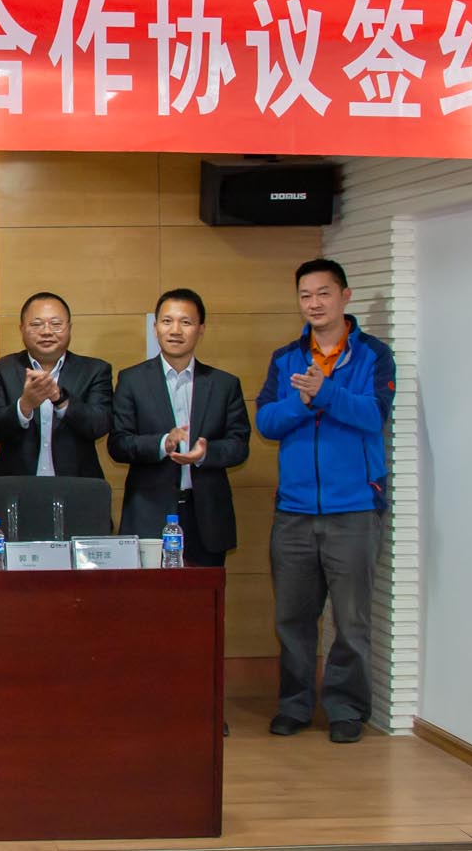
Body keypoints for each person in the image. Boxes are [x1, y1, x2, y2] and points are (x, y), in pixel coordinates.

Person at [255, 259, 396, 744]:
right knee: (292, 619)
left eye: (323, 293)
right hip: (293, 511)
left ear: (344, 296)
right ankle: (294, 706)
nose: (314, 303)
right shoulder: (285, 358)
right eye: (305, 295)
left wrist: (326, 392)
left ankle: (346, 709)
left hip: (354, 510)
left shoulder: (374, 354)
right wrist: (303, 400)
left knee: (351, 621)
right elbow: (267, 422)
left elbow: (374, 415)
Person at [108, 289, 251, 564]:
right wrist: (163, 443)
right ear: (155, 327)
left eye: (186, 322)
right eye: (167, 321)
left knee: (203, 591)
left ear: (201, 329)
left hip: (206, 517)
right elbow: (118, 443)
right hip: (149, 514)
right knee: (150, 592)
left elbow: (239, 445)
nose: (175, 330)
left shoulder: (224, 384)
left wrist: (206, 453)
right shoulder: (132, 380)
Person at [0, 292, 114, 483]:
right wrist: (24, 405)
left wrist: (60, 399)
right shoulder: (1, 369)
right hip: (15, 486)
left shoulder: (94, 370)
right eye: (36, 324)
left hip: (77, 485)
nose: (46, 331)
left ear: (69, 328)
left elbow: (99, 426)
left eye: (55, 324)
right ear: (22, 329)